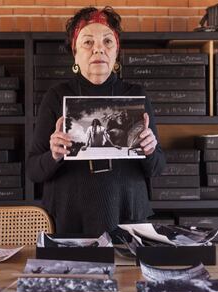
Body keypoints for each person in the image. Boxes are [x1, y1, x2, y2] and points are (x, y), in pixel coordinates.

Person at [27, 6, 165, 235]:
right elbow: (33, 170)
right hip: (69, 218)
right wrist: (54, 155)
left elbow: (158, 167)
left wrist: (150, 151)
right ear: (75, 52)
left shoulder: (135, 95)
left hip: (127, 215)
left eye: (107, 42)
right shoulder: (56, 96)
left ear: (116, 51)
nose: (98, 49)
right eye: (88, 42)